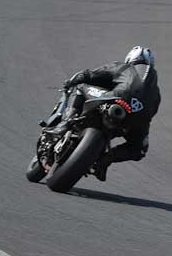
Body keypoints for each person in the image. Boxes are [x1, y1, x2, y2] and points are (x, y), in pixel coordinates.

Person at [47, 46, 161, 181]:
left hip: (116, 98)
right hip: (137, 117)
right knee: (139, 149)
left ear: (130, 59)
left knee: (80, 87)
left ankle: (65, 124)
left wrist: (71, 81)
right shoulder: (156, 92)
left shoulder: (124, 67)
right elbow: (150, 114)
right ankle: (106, 159)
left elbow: (91, 75)